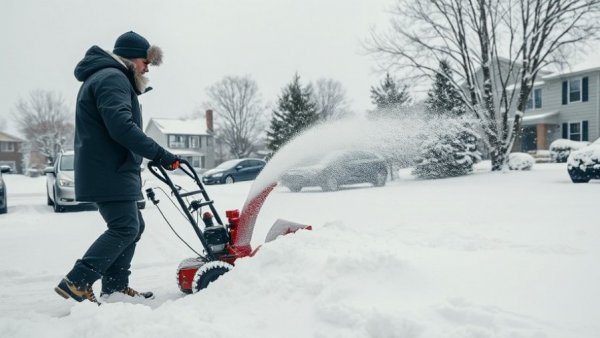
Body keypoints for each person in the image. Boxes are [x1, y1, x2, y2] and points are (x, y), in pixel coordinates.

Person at [54, 31, 180, 304]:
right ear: (131, 57)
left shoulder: (109, 77)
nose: (147, 68)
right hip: (109, 169)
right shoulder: (112, 78)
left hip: (113, 169)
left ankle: (114, 286)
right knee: (124, 227)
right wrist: (160, 154)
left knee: (134, 225)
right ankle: (78, 281)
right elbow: (122, 127)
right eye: (146, 62)